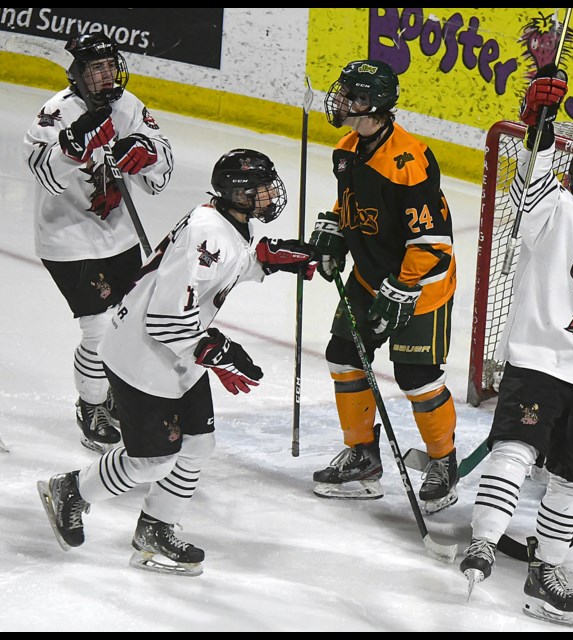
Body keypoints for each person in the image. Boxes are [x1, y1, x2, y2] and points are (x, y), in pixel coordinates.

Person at [37, 149, 319, 576]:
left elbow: (215, 272)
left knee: (198, 446)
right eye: (259, 189)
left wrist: (263, 260)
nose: (268, 195)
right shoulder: (210, 235)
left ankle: (155, 529)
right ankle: (72, 490)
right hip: (143, 359)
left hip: (176, 358)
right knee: (152, 460)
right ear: (237, 193)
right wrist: (217, 353)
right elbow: (166, 318)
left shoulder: (224, 224)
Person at [457, 65, 573, 628]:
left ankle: (548, 571)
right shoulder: (553, 211)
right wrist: (540, 120)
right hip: (539, 361)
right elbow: (532, 176)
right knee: (515, 449)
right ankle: (485, 542)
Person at [308, 59, 459, 515]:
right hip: (371, 276)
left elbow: (432, 241)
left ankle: (443, 462)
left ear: (374, 105)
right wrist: (335, 226)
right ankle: (364, 458)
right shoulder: (347, 147)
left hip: (422, 283)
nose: (341, 101)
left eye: (351, 95)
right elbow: (350, 201)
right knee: (343, 355)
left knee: (417, 377)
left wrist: (404, 287)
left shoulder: (410, 162)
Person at [23, 34, 174, 454]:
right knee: (101, 327)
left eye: (111, 65)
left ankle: (111, 392)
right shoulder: (56, 113)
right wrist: (71, 148)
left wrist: (146, 153)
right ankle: (91, 406)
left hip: (119, 236)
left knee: (128, 325)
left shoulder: (129, 106)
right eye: (96, 68)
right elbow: (41, 171)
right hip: (68, 240)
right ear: (77, 73)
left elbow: (162, 164)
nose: (107, 74)